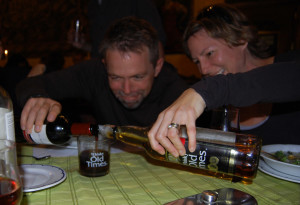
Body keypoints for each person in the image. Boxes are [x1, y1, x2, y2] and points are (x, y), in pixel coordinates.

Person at [148, 4, 300, 157]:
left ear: (241, 39)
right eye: (197, 61)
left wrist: (207, 91)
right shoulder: (213, 108)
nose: (203, 70)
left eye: (209, 53)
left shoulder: (291, 66)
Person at [16, 17, 188, 136]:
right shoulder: (94, 73)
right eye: (115, 77)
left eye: (137, 77)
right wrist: (37, 97)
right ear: (105, 65)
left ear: (157, 67)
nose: (127, 89)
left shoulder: (179, 94)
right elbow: (29, 84)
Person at [69, 0, 166, 59]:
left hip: (129, 79)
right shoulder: (93, 5)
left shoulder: (136, 2)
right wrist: (83, 45)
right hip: (102, 78)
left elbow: (157, 42)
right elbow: (104, 49)